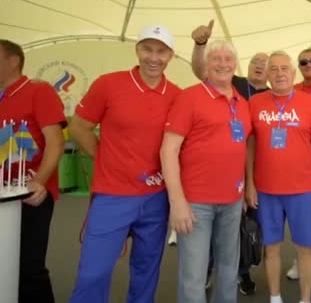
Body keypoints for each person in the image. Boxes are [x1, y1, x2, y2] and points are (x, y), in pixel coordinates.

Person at [68, 25, 181, 302]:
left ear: (171, 56)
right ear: (137, 50)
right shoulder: (109, 84)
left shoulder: (178, 95)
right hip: (112, 195)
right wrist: (104, 157)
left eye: (161, 52)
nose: (153, 58)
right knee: (92, 273)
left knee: (146, 272)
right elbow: (79, 127)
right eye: (147, 49)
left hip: (156, 196)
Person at [161, 39, 251, 303]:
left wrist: (244, 190)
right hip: (196, 202)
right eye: (216, 59)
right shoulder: (189, 97)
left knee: (228, 269)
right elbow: (168, 150)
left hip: (233, 201)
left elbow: (242, 148)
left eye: (228, 59)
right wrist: (177, 202)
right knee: (194, 274)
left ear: (235, 64)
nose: (223, 64)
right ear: (206, 65)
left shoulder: (241, 103)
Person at [183, 22, 268, 295]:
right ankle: (206, 272)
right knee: (199, 257)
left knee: (241, 238)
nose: (259, 66)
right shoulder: (236, 85)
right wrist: (199, 46)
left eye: (265, 64)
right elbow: (203, 71)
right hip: (203, 190)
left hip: (243, 183)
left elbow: (248, 142)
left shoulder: (271, 95)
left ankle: (242, 275)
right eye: (255, 61)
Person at [246, 50, 311, 303]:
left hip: (303, 190)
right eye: (274, 69)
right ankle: (275, 297)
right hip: (266, 190)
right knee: (271, 248)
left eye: (285, 68)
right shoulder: (255, 103)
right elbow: (249, 145)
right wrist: (250, 184)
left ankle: (305, 299)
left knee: (305, 248)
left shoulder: (310, 103)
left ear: (293, 73)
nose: (280, 73)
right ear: (268, 75)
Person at [0, 39, 66, 303]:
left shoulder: (39, 91)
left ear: (14, 60)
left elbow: (56, 141)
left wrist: (39, 182)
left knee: (28, 266)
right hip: (1, 192)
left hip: (30, 193)